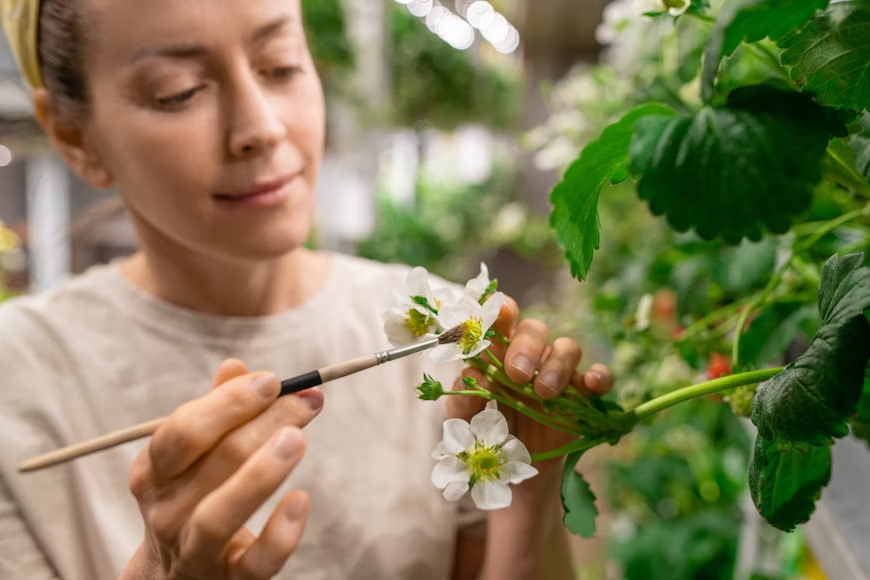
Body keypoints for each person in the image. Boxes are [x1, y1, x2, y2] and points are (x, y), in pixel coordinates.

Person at [0, 0, 614, 578]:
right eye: (178, 91)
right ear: (74, 137)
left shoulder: (445, 333)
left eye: (281, 65)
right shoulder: (18, 379)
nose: (262, 128)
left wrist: (527, 500)